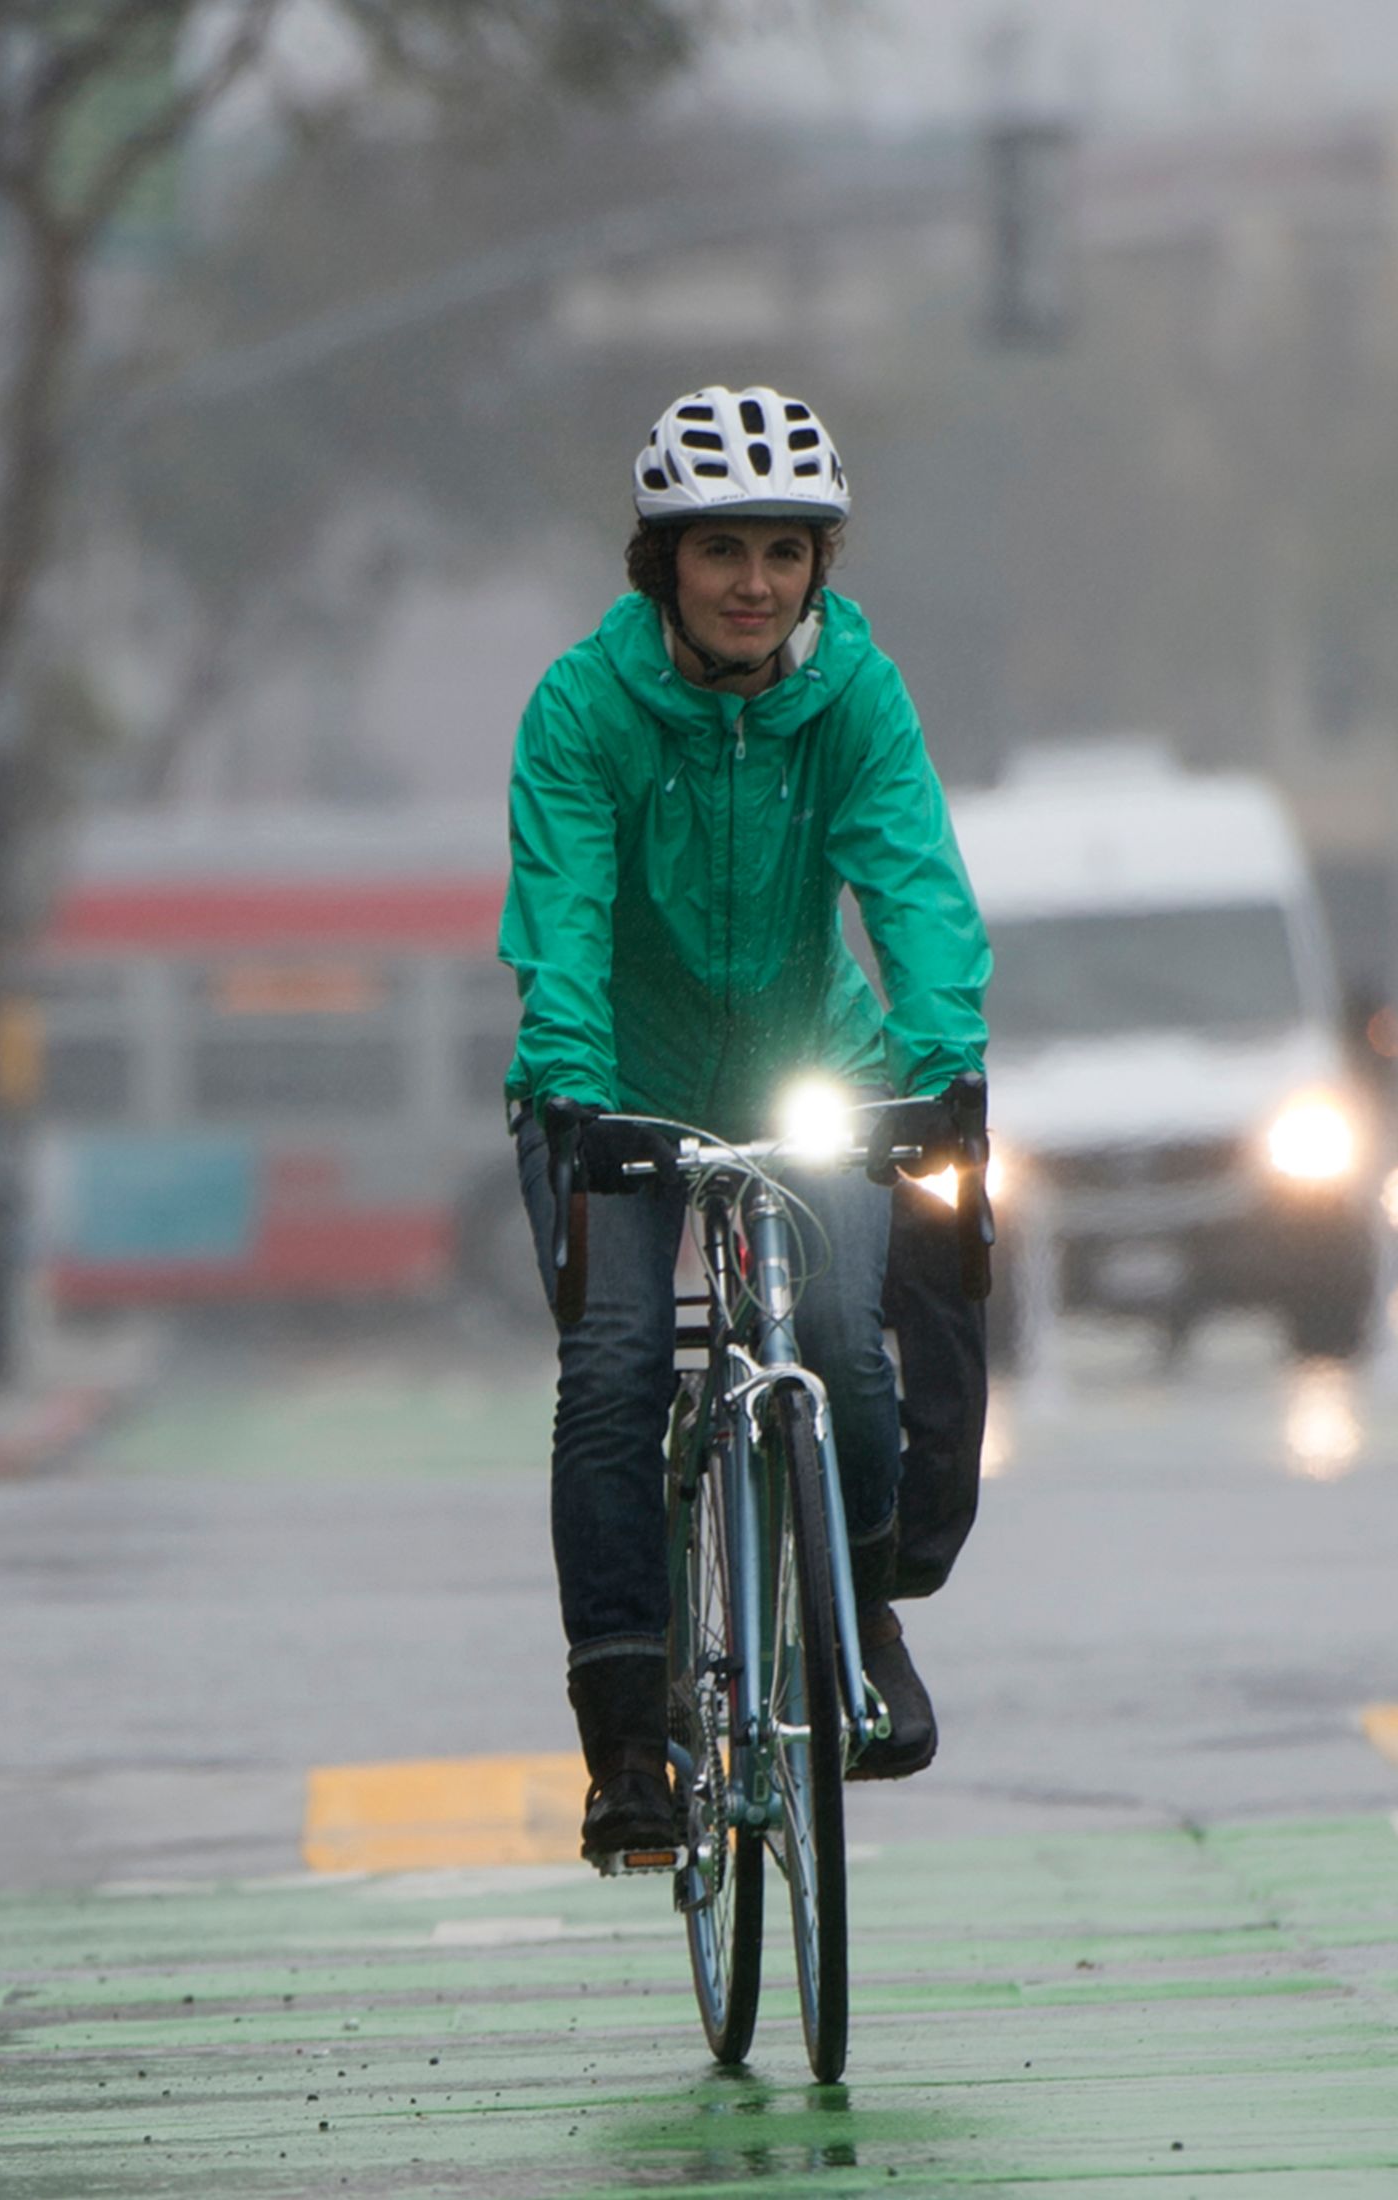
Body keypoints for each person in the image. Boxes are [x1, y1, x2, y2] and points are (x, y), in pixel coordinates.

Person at [499, 384, 991, 1867]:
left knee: (841, 1339)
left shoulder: (854, 696)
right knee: (621, 1366)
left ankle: (863, 1616)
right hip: (613, 1087)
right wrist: (579, 1095)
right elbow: (563, 921)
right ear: (663, 564)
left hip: (808, 1071)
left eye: (785, 552)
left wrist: (943, 1061)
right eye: (723, 553)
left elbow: (910, 880)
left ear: (817, 569)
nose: (755, 584)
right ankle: (629, 1736)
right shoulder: (581, 711)